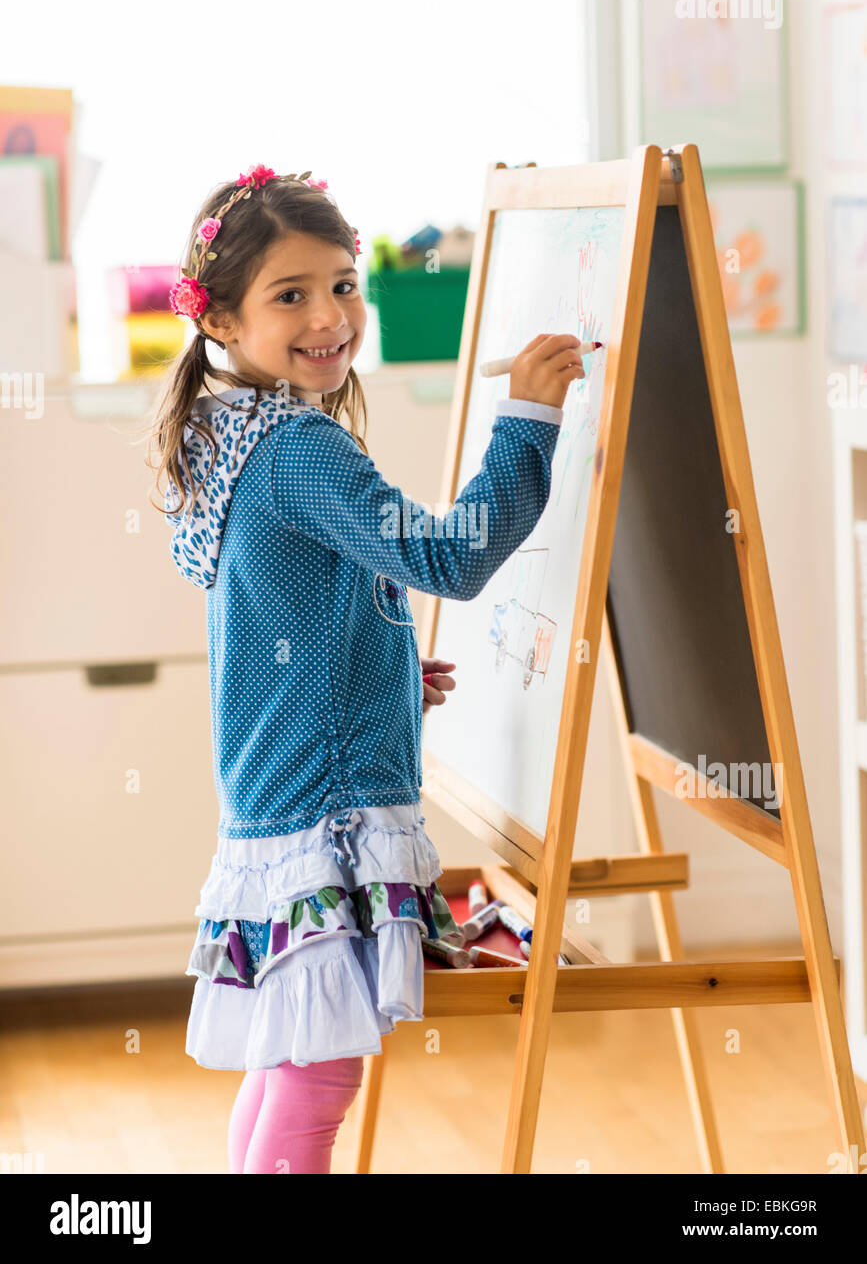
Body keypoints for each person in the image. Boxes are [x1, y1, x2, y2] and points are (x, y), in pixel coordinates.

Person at [146, 163, 585, 1174]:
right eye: (290, 295)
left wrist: (381, 667)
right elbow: (448, 558)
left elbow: (282, 614)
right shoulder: (301, 447)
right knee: (319, 1075)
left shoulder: (229, 432)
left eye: (343, 283)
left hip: (276, 805)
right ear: (217, 319)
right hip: (327, 816)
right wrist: (526, 424)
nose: (330, 316)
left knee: (287, 1062)